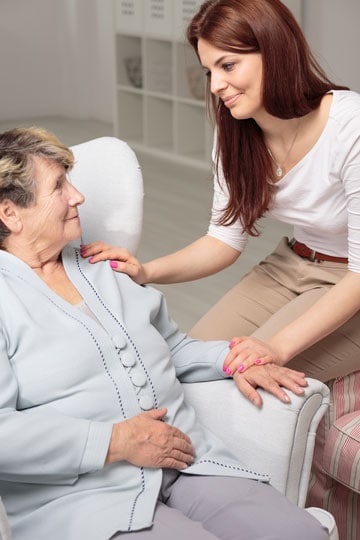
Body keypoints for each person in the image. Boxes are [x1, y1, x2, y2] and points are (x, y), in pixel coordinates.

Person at [0, 126, 327, 540]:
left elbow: (169, 346)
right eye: (59, 186)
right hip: (83, 496)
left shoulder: (100, 264)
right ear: (10, 213)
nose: (78, 196)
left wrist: (233, 360)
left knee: (301, 534)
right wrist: (114, 441)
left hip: (188, 459)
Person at [82, 0, 360, 390]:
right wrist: (146, 271)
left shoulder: (351, 126)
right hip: (291, 264)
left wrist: (274, 348)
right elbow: (224, 240)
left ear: (276, 52)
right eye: (209, 70)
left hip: (352, 279)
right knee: (187, 368)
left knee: (238, 380)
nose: (215, 86)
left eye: (228, 65)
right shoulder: (236, 134)